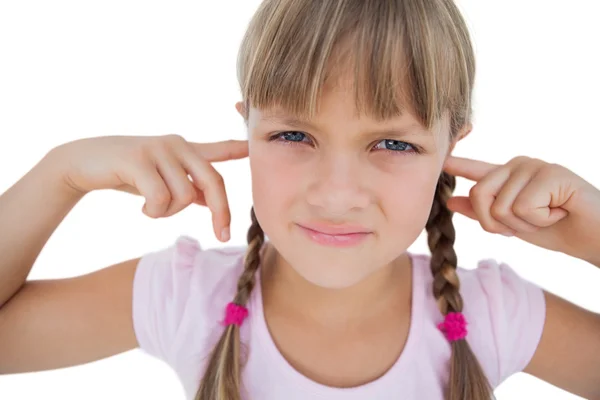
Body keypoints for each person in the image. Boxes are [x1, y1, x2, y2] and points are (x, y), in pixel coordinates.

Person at [1, 0, 599, 399]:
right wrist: (63, 173)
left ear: (450, 147)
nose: (337, 193)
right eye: (294, 135)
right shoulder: (185, 297)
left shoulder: (492, 314)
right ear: (247, 129)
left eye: (392, 142)